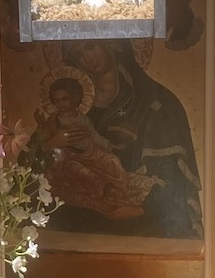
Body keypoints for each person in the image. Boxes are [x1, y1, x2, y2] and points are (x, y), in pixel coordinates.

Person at [42, 40, 202, 239]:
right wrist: (52, 143)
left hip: (141, 214)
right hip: (85, 208)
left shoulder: (155, 103)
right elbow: (32, 156)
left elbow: (172, 177)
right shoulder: (72, 107)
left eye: (90, 46)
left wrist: (140, 210)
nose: (88, 58)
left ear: (111, 44)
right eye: (79, 54)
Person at [31, 77, 158, 219]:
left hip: (90, 153)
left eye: (65, 99)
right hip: (67, 158)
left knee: (112, 160)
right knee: (78, 170)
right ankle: (104, 190)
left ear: (75, 98)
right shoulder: (53, 120)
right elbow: (44, 140)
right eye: (57, 100)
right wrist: (44, 129)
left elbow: (94, 135)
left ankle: (121, 188)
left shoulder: (83, 119)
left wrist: (108, 145)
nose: (61, 104)